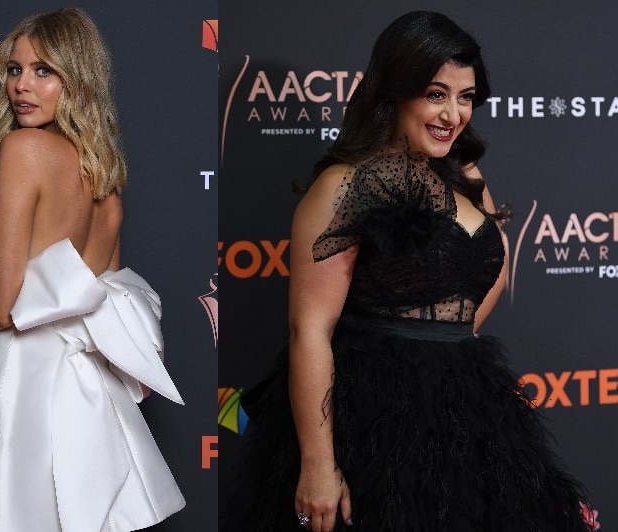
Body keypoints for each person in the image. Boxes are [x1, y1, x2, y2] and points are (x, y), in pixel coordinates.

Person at [230, 11, 595, 532]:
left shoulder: (466, 174)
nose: (454, 113)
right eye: (436, 93)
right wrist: (319, 465)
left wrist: (450, 338)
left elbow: (487, 270)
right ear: (395, 91)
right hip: (374, 418)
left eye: (466, 96)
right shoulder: (346, 183)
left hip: (467, 407)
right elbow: (309, 329)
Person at [0, 8, 185, 531]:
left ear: (76, 80)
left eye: (43, 71)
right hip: (87, 383)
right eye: (14, 70)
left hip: (26, 382)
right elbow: (91, 291)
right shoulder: (104, 170)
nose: (22, 86)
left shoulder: (23, 149)